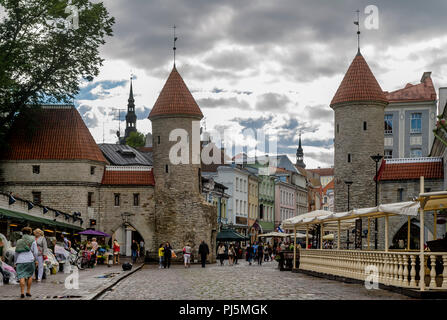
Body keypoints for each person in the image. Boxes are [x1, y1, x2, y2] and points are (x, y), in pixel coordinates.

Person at [15, 227, 38, 298]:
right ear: (30, 233)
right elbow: (36, 252)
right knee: (30, 276)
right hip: (30, 260)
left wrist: (15, 262)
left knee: (21, 276)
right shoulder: (33, 240)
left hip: (20, 260)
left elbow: (16, 253)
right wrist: (36, 260)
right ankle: (28, 291)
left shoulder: (19, 241)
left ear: (22, 233)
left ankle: (22, 292)